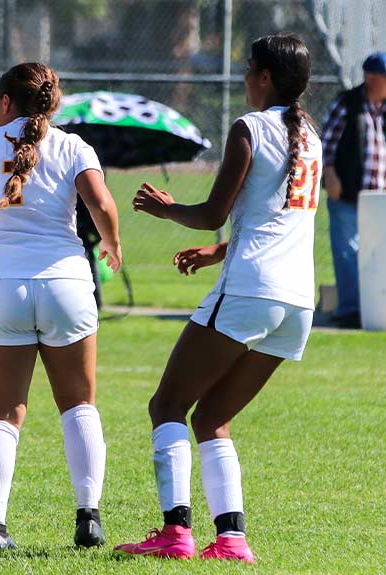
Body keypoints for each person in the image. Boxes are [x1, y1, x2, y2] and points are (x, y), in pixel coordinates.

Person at [115, 34, 320, 562]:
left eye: (249, 68)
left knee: (167, 405)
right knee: (211, 420)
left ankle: (174, 533)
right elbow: (281, 223)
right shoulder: (310, 137)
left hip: (251, 289)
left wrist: (165, 208)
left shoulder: (249, 127)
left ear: (266, 77)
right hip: (296, 301)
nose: (245, 77)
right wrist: (218, 252)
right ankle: (231, 540)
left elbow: (211, 211)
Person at [0, 62, 122, 550]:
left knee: (2, 414)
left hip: (1, 285)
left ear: (5, 102)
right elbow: (102, 206)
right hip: (65, 282)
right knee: (79, 405)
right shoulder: (72, 145)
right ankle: (89, 517)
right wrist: (112, 245)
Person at [320, 51, 386, 328]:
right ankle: (350, 311)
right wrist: (329, 175)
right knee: (347, 251)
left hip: (379, 198)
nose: (371, 81)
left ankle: (375, 309)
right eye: (368, 75)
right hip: (347, 193)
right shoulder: (347, 103)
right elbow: (325, 142)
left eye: (378, 76)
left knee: (377, 254)